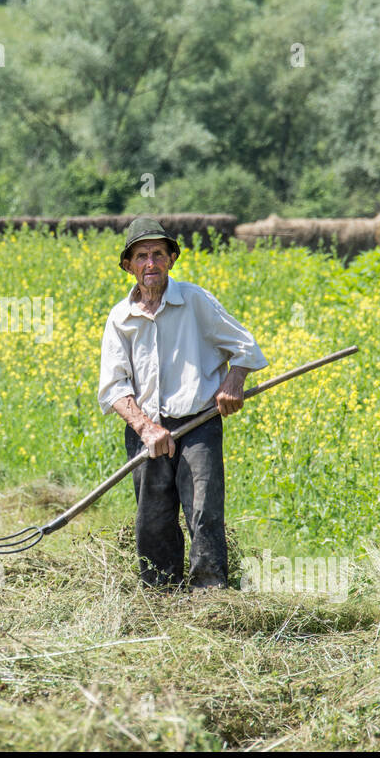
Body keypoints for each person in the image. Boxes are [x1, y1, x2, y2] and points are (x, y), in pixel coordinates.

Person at [98, 217, 268, 589]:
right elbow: (114, 387)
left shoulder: (194, 300)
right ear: (128, 266)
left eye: (158, 254)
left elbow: (245, 347)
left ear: (172, 258)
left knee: (204, 512)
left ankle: (209, 596)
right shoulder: (120, 318)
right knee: (152, 520)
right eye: (141, 256)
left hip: (199, 424)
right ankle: (160, 596)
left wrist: (234, 381)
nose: (150, 264)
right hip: (147, 432)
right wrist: (145, 427)